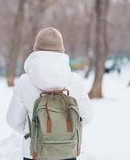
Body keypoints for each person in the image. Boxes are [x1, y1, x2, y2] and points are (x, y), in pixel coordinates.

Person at [6, 27, 94, 160]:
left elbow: (13, 121)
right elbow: (88, 116)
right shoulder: (74, 80)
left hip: (35, 152)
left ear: (36, 49)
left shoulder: (25, 82)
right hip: (67, 151)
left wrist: (35, 131)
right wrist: (63, 134)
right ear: (62, 51)